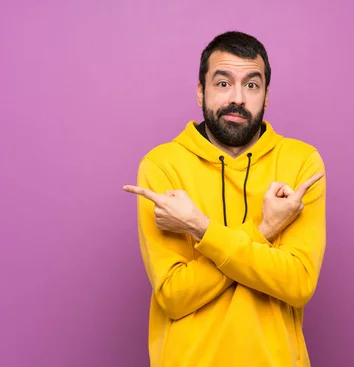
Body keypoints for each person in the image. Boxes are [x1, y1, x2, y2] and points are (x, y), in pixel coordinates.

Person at [123, 30, 327, 367]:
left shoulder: (301, 163)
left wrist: (200, 228)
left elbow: (298, 283)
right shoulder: (162, 166)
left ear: (266, 95)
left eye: (251, 85)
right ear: (200, 90)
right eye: (222, 83)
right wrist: (264, 229)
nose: (238, 99)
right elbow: (174, 296)